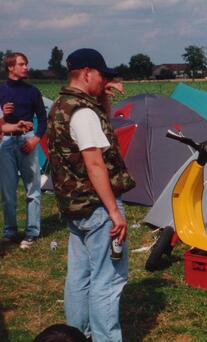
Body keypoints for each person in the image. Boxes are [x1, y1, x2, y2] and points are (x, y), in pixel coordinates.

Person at [47, 48, 136, 341]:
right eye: (101, 75)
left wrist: (105, 94)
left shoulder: (61, 104)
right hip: (98, 208)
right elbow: (94, 162)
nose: (103, 81)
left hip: (75, 207)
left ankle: (77, 335)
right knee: (107, 281)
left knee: (79, 278)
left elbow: (98, 130)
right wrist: (113, 211)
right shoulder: (83, 113)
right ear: (87, 73)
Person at [0, 52, 47, 249]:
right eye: (21, 64)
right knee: (7, 191)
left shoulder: (32, 91)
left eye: (26, 64)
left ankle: (32, 232)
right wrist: (4, 110)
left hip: (27, 141)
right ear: (10, 67)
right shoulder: (1, 91)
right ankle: (10, 232)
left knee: (32, 189)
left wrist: (35, 140)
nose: (26, 67)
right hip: (5, 142)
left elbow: (43, 120)